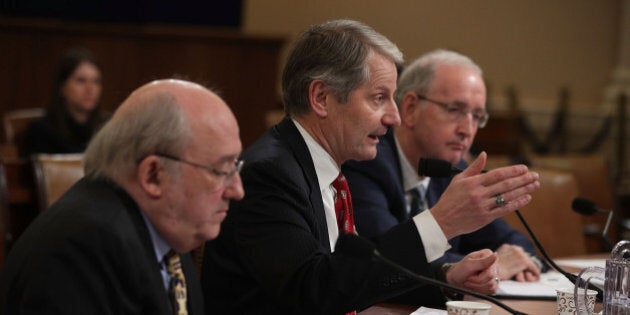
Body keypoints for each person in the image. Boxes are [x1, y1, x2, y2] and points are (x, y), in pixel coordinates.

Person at [201, 19, 540, 314]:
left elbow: (356, 275)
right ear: (321, 98)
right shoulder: (271, 173)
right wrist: (442, 222)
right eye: (379, 98)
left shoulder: (326, 168)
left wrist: (446, 279)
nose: (393, 117)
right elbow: (314, 291)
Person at [0, 79, 245, 314]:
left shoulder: (169, 233)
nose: (237, 190)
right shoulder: (85, 248)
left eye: (236, 166)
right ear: (153, 175)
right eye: (220, 170)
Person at [343, 49, 543, 282]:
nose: (467, 130)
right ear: (410, 109)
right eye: (454, 110)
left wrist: (519, 261)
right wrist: (489, 266)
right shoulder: (367, 161)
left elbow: (514, 243)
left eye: (477, 116)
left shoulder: (451, 168)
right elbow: (386, 257)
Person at [26, 47, 109, 154]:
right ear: (62, 87)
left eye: (96, 81)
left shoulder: (108, 127)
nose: (90, 89)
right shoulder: (41, 131)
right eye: (81, 81)